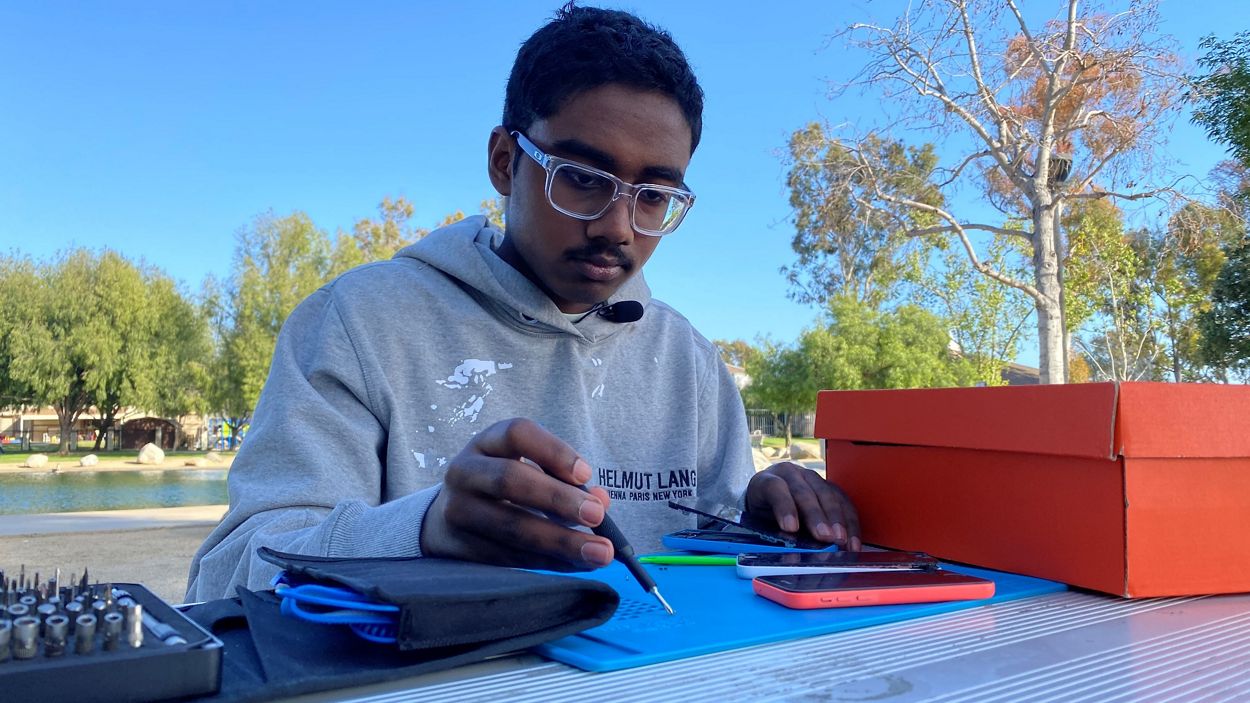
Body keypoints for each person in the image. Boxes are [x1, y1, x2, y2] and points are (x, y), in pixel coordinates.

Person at [187, 3, 858, 601]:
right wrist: (421, 529)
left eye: (654, 196)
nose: (618, 227)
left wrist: (760, 527)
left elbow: (712, 574)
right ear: (505, 161)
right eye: (582, 178)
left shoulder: (691, 363)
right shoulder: (359, 323)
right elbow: (225, 577)